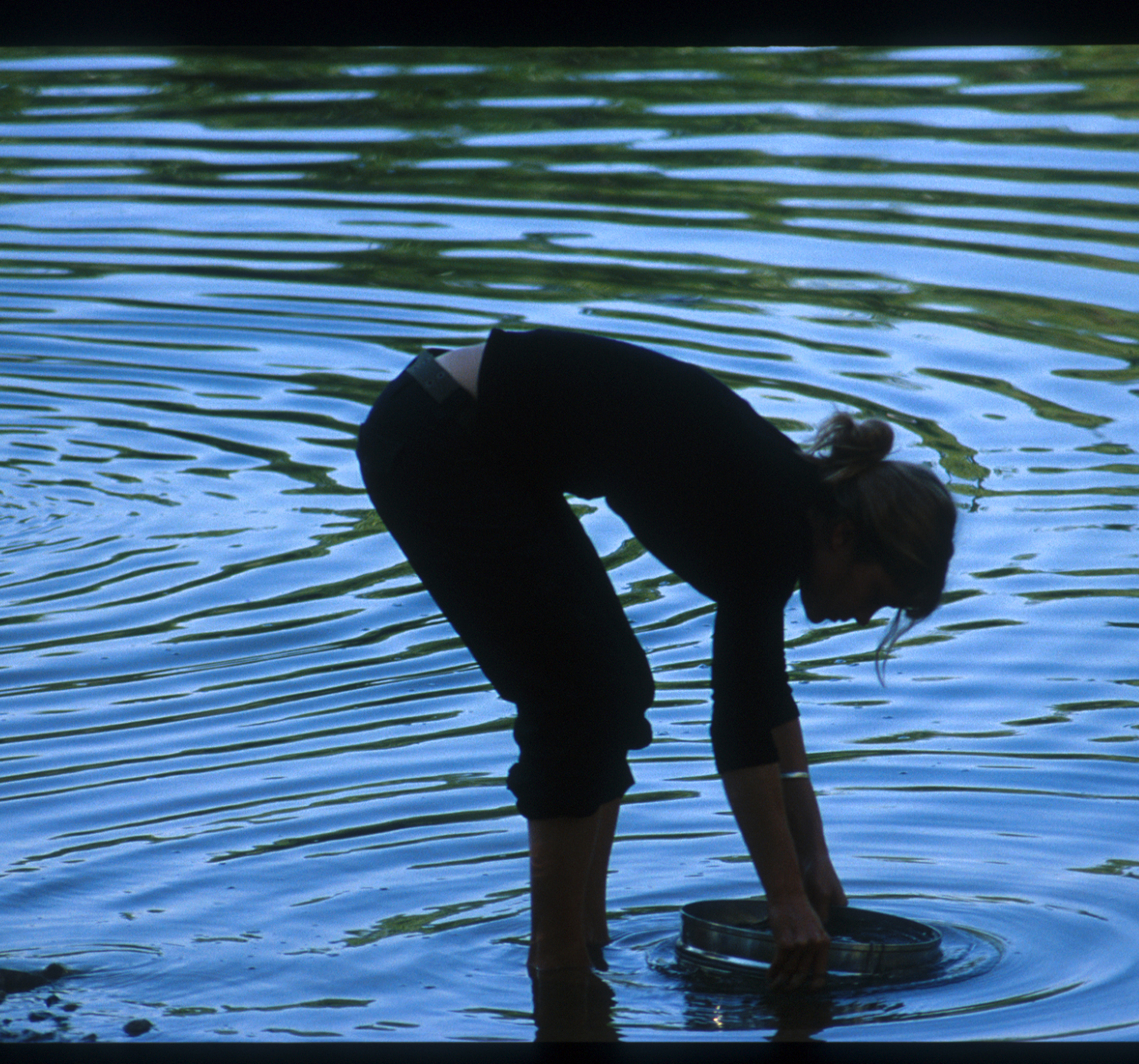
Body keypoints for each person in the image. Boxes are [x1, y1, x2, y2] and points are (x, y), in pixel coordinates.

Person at [356, 328, 956, 992]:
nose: (865, 617)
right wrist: (785, 897)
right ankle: (558, 964)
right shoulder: (771, 520)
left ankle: (586, 936)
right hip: (438, 436)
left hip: (471, 435)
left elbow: (765, 700)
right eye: (877, 595)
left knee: (614, 685)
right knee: (577, 697)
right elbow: (739, 731)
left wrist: (812, 856)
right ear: (845, 536)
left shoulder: (786, 507)